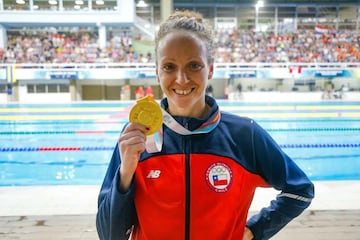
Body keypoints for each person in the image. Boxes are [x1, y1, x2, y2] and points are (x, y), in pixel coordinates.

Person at [96, 10, 314, 240]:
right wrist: (126, 173)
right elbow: (109, 235)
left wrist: (256, 229)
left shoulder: (244, 135)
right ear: (157, 72)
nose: (181, 79)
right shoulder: (136, 137)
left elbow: (300, 190)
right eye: (169, 67)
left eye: (194, 65)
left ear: (210, 69)